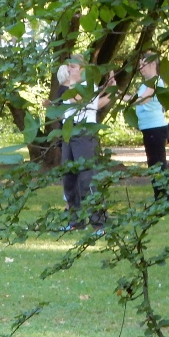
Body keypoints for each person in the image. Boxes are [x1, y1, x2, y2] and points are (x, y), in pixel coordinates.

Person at [56, 58, 111, 232]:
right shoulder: (70, 87)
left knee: (88, 178)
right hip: (69, 132)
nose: (70, 69)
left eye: (73, 66)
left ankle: (99, 223)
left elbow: (77, 101)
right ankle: (75, 221)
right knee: (69, 179)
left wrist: (73, 82)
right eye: (69, 66)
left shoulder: (87, 85)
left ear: (82, 69)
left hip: (84, 133)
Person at [131, 54, 169, 198]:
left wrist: (123, 97)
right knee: (153, 162)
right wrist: (117, 94)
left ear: (153, 64)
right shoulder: (145, 84)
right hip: (148, 128)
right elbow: (136, 99)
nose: (140, 68)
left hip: (155, 127)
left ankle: (164, 196)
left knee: (158, 162)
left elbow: (142, 100)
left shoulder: (155, 82)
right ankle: (159, 195)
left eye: (143, 65)